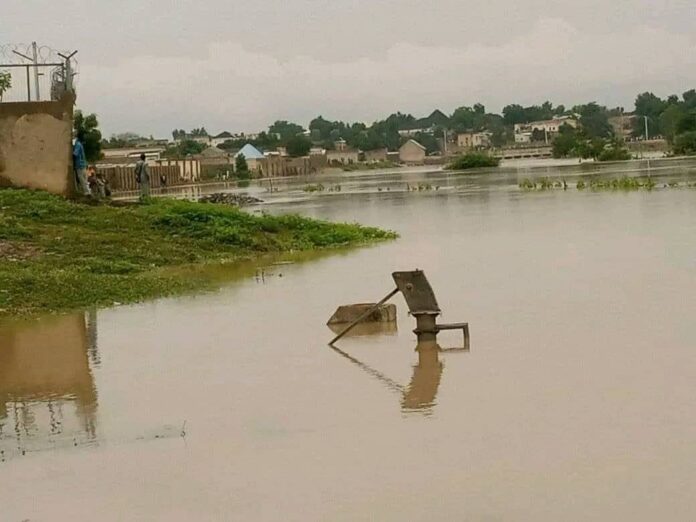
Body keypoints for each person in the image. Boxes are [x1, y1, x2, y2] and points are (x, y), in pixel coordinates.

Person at [73, 132, 91, 196]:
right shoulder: (80, 144)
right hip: (83, 164)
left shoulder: (77, 144)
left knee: (81, 178)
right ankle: (88, 191)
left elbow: (75, 154)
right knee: (85, 179)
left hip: (79, 164)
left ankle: (86, 192)